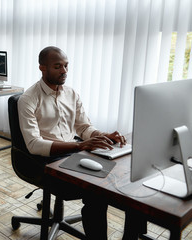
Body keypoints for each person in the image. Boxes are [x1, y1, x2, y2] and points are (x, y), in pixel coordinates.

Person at [18, 46, 144, 240]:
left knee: (126, 179)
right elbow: (34, 144)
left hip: (74, 152)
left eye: (66, 65)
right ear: (42, 68)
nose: (64, 71)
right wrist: (79, 146)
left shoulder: (71, 93)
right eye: (57, 66)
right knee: (98, 192)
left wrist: (104, 135)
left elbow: (83, 128)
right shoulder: (28, 98)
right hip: (47, 160)